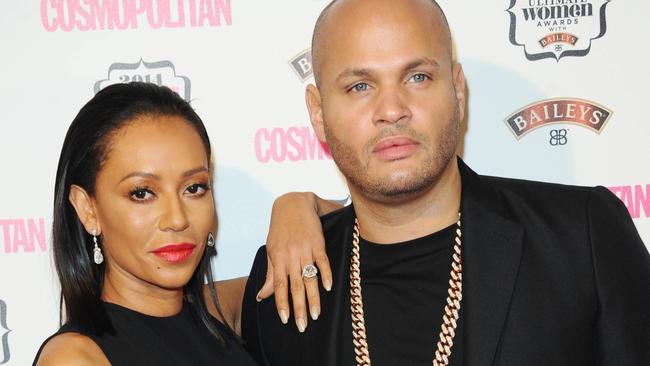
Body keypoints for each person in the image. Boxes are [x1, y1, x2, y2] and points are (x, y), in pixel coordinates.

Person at [241, 0, 650, 365]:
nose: (392, 110)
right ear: (317, 112)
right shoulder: (281, 279)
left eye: (417, 77)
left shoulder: (581, 237)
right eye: (360, 86)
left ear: (457, 89)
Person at [32, 82, 337, 365]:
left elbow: (362, 235)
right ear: (88, 209)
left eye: (194, 188)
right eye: (142, 193)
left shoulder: (218, 313)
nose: (177, 219)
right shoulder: (75, 356)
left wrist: (296, 205)